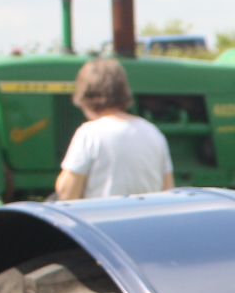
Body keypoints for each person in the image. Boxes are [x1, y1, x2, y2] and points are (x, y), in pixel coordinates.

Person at [53, 57, 173, 199]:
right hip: (147, 220)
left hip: (104, 219)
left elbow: (67, 195)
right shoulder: (153, 132)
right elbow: (168, 191)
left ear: (86, 95)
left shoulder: (90, 134)